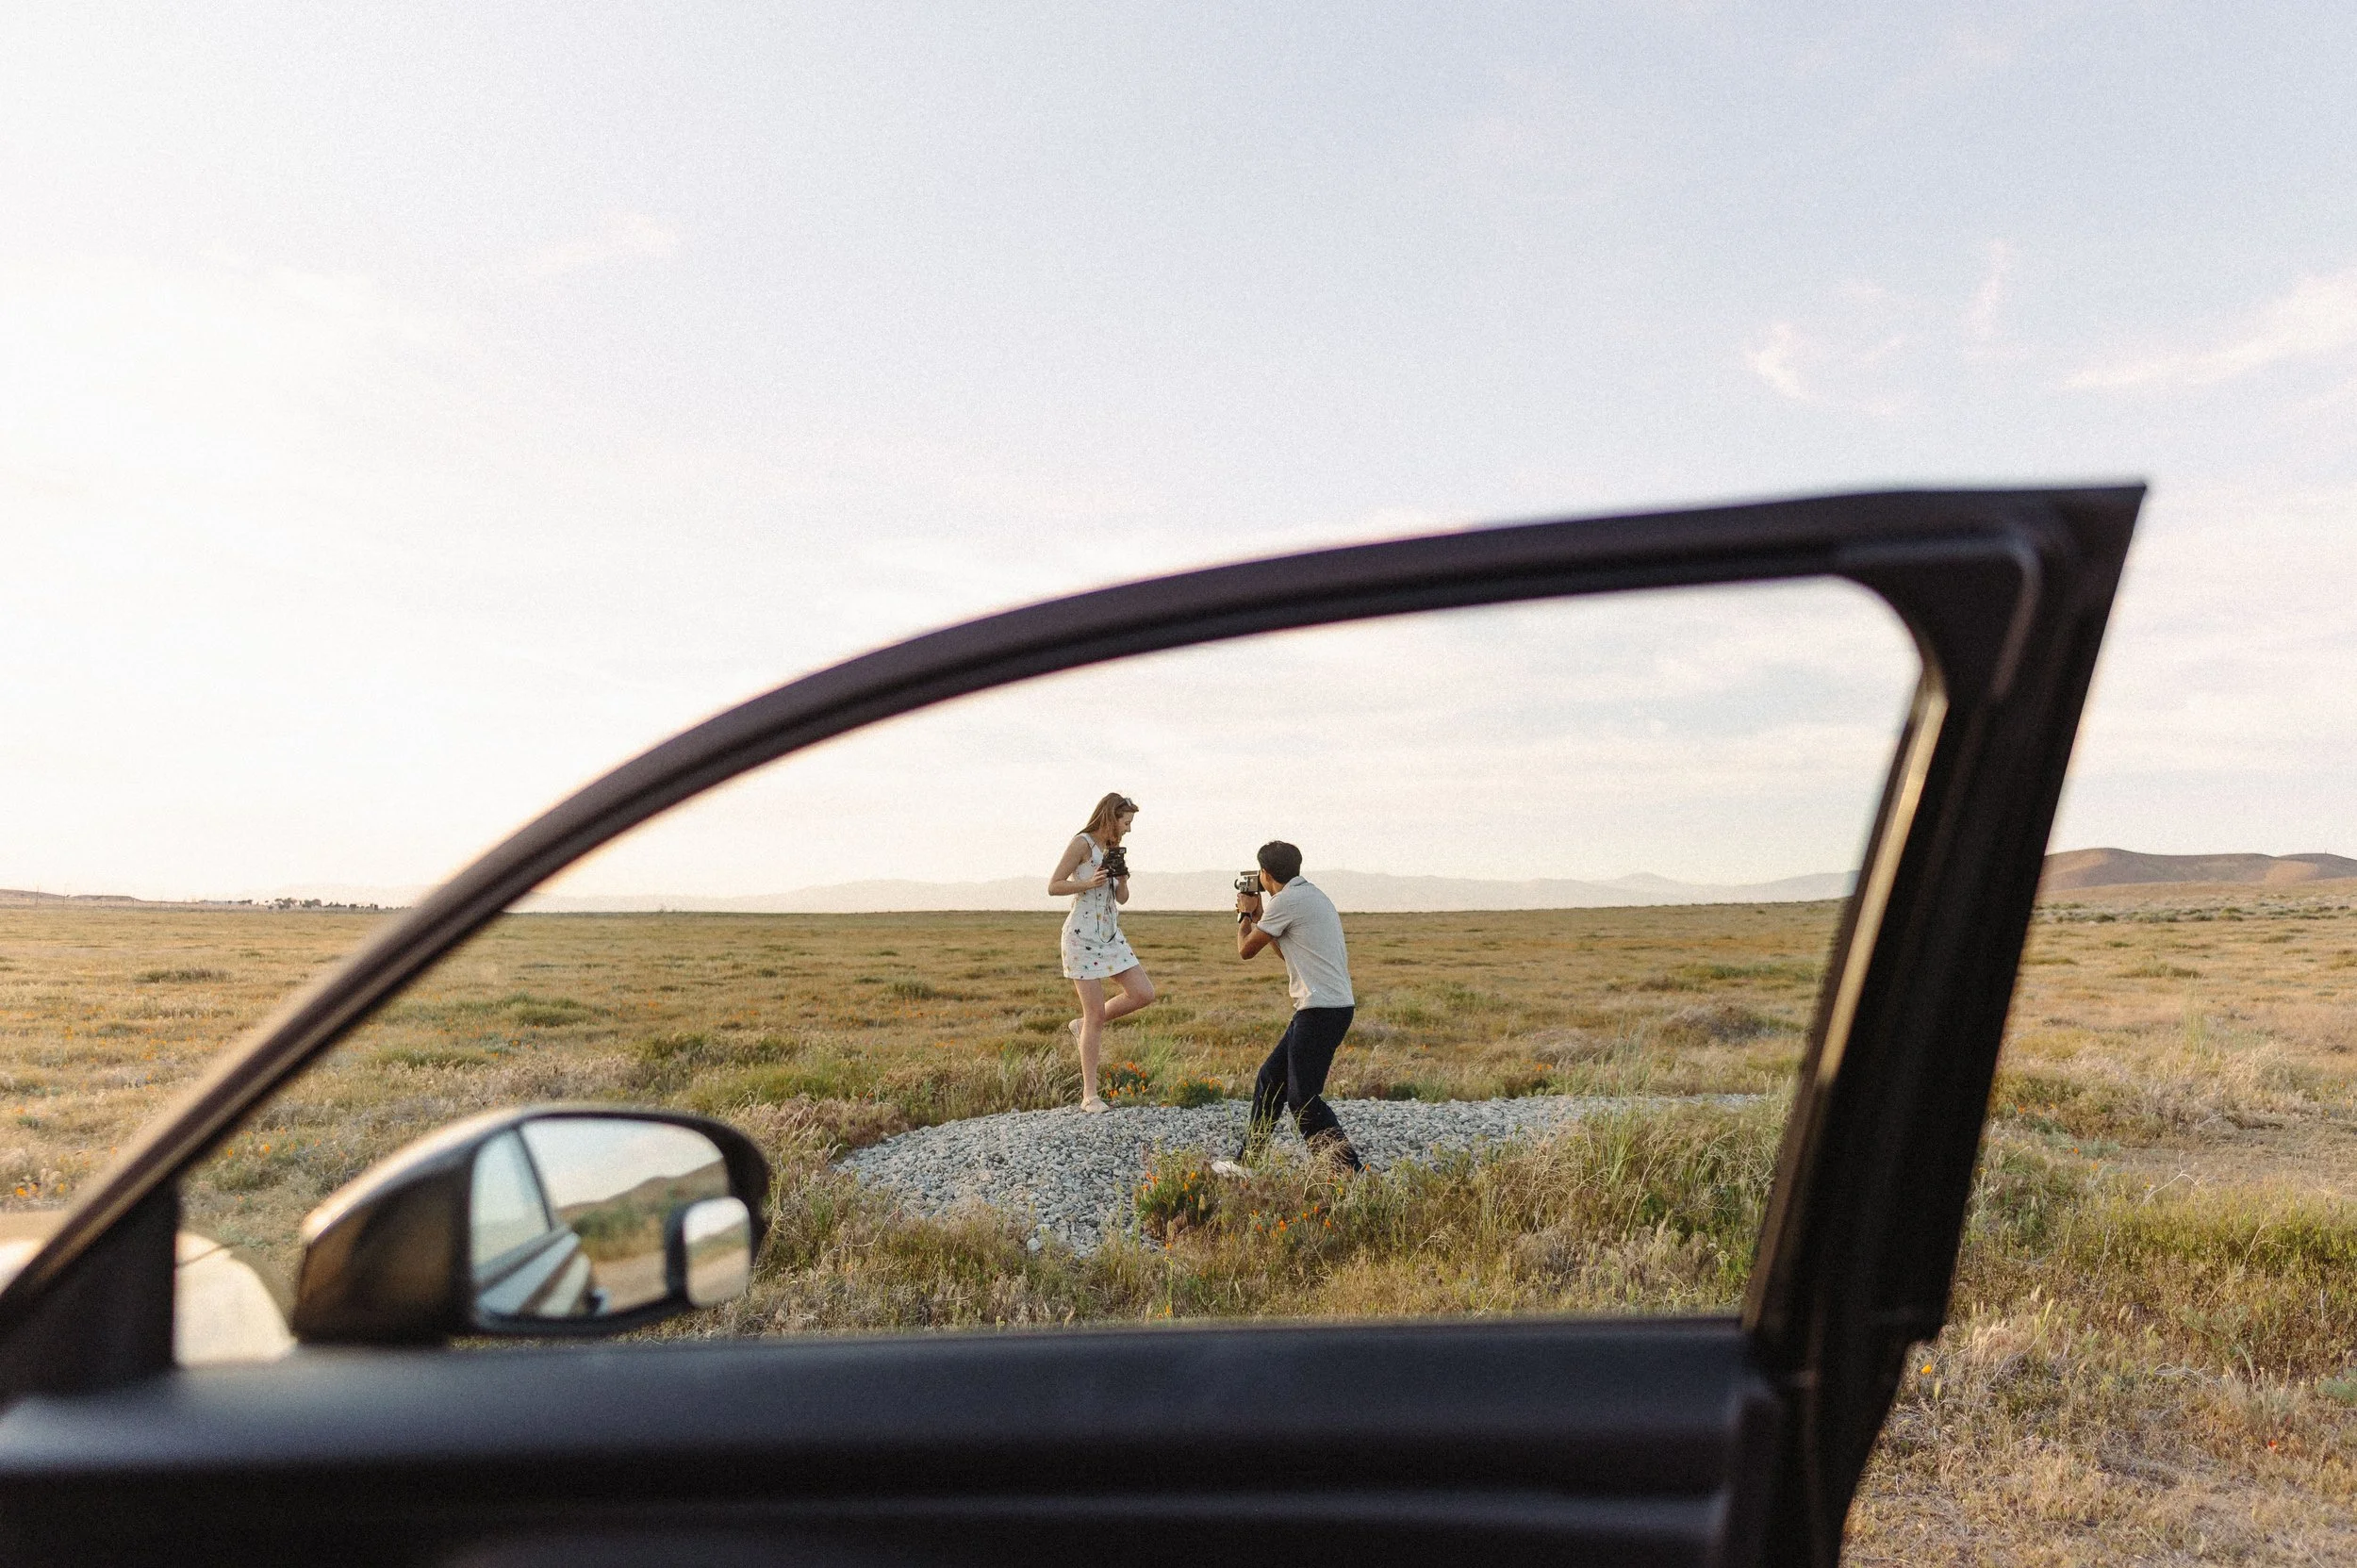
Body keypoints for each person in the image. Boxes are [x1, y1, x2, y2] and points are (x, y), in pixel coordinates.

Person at [1216, 839, 1363, 1173]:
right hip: (1327, 1007)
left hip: (1320, 1010)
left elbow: (1245, 950)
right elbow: (1289, 952)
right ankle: (1248, 1162)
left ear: (1265, 874)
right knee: (1271, 1079)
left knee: (1303, 1100)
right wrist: (1261, 917)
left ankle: (1347, 1173)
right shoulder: (1312, 895)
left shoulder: (1285, 901)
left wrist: (1245, 915)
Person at [1047, 793, 1157, 1113]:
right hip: (1081, 936)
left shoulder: (1112, 849)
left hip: (1110, 934)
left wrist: (1121, 881)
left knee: (1143, 993)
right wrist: (1089, 882)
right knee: (1096, 1015)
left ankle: (1081, 1026)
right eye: (1126, 822)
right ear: (1111, 817)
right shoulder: (1081, 843)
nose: (1129, 829)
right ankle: (1090, 1096)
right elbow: (1054, 885)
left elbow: (1121, 899)